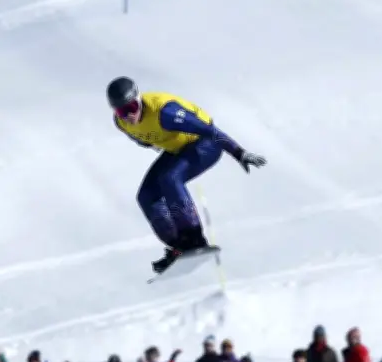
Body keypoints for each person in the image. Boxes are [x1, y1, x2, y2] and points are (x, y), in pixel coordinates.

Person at [107, 76, 267, 272]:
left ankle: (195, 239)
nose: (129, 115)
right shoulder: (121, 123)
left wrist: (239, 153)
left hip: (205, 143)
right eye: (122, 111)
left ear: (139, 99)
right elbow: (144, 140)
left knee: (170, 178)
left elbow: (210, 131)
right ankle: (179, 246)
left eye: (132, 107)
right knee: (146, 196)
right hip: (178, 148)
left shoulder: (165, 112)